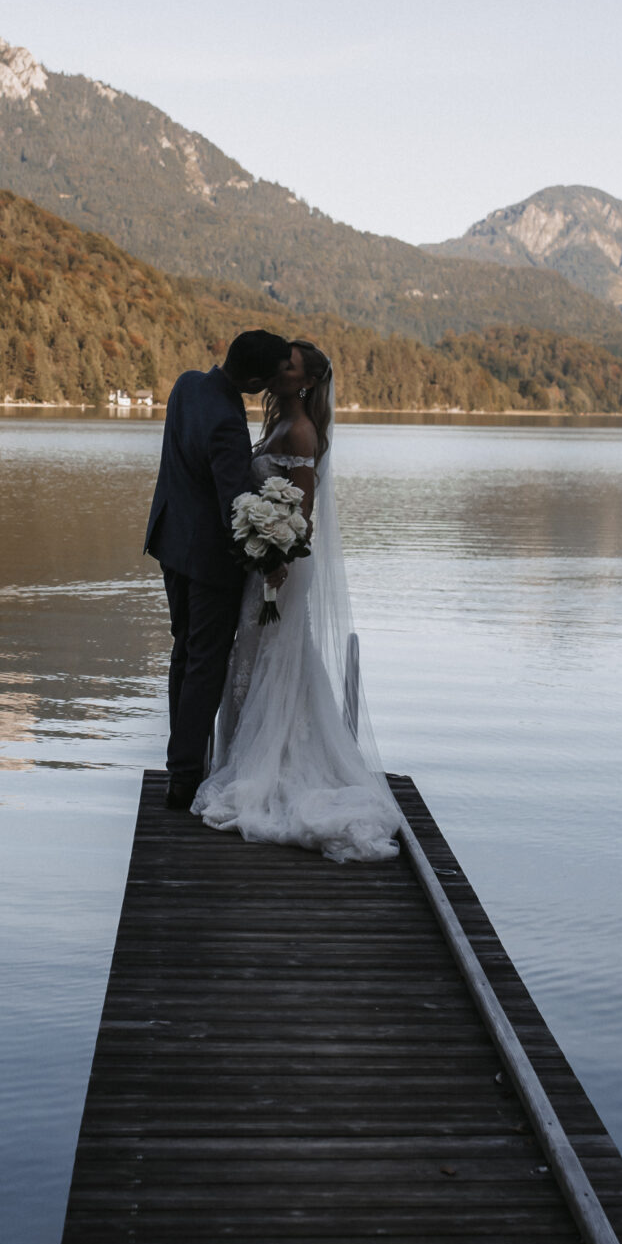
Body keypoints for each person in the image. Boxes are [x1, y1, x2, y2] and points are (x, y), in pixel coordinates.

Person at [194, 340, 401, 864]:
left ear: (305, 381)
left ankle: (271, 763)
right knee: (260, 656)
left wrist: (273, 554)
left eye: (287, 365)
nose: (277, 369)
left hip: (282, 564)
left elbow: (301, 516)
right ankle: (251, 753)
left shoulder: (301, 431)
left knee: (270, 655)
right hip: (266, 557)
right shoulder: (279, 425)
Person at [146, 329, 296, 809]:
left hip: (170, 543)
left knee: (184, 652)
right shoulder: (228, 423)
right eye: (270, 378)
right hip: (208, 559)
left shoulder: (186, 385)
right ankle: (185, 776)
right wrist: (269, 555)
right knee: (206, 662)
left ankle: (181, 767)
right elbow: (236, 506)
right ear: (253, 381)